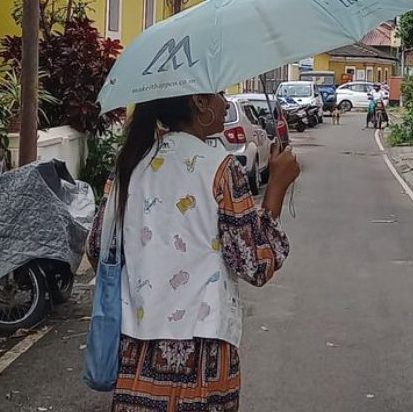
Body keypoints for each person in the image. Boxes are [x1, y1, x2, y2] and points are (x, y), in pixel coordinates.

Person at [86, 92, 301, 412]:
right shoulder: (221, 169)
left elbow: (96, 249)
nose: (226, 104)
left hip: (136, 352)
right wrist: (277, 188)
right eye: (219, 95)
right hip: (204, 354)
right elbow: (256, 263)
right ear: (199, 102)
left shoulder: (130, 165)